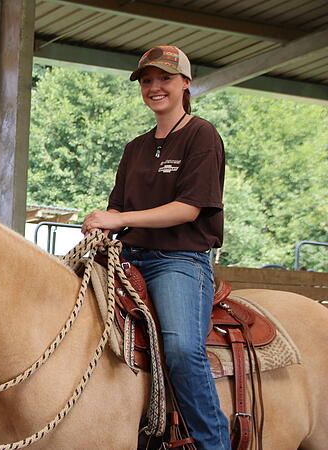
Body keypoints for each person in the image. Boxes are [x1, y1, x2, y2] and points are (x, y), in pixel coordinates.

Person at [82, 45, 230, 449]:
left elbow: (188, 209)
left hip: (178, 260)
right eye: (147, 80)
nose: (154, 87)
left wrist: (120, 219)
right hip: (128, 257)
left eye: (164, 78)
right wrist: (101, 222)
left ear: (185, 83)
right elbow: (118, 204)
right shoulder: (136, 147)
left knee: (182, 348)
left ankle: (212, 442)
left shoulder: (202, 135)